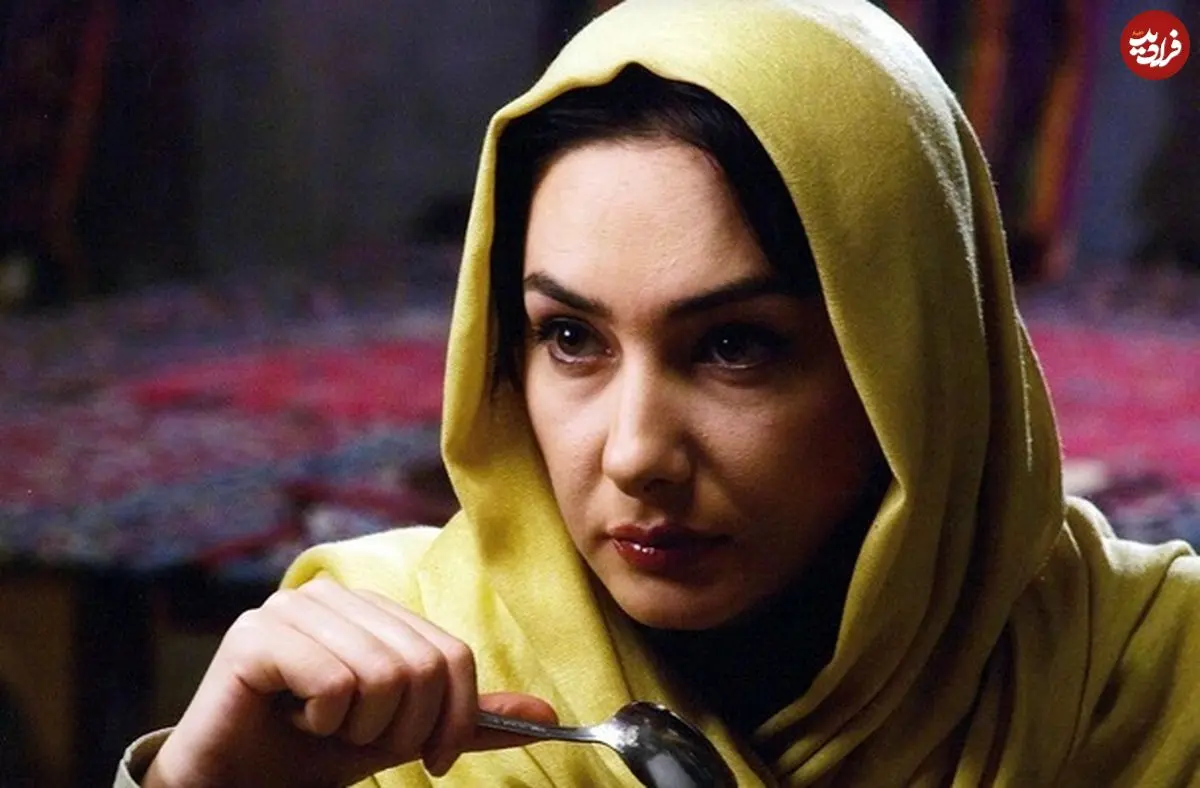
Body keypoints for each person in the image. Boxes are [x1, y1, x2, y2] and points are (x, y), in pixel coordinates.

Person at [116, 0, 1200, 785]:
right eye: (570, 338)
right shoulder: (383, 684)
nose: (634, 453)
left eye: (734, 345)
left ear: (919, 366)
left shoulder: (1149, 673)